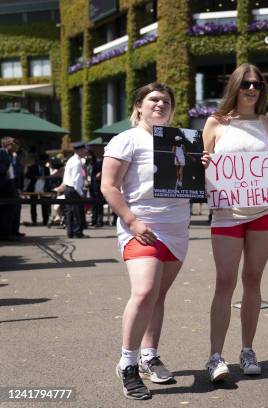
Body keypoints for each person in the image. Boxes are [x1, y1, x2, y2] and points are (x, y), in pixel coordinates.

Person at [101, 83, 211, 400]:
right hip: (141, 227)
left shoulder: (183, 140)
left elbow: (191, 185)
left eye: (166, 100)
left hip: (177, 228)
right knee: (145, 290)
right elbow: (109, 186)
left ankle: (150, 355)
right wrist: (132, 221)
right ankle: (128, 363)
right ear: (139, 106)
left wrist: (199, 167)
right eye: (153, 99)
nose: (160, 104)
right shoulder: (126, 140)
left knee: (158, 295)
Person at [202, 63, 268, 382]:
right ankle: (215, 356)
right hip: (226, 214)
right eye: (247, 84)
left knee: (253, 279)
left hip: (264, 213)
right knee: (225, 281)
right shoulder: (216, 123)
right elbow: (199, 164)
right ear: (235, 85)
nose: (252, 89)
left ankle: (247, 349)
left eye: (258, 85)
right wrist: (203, 162)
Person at [62, 142, 89, 238]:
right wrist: (81, 193)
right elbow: (76, 180)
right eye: (83, 150)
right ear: (79, 150)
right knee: (78, 212)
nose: (85, 152)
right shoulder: (77, 162)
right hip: (74, 190)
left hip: (68, 188)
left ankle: (70, 232)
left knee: (69, 211)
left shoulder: (71, 160)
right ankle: (78, 232)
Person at [0, 137, 21, 241]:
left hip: (12, 184)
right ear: (7, 144)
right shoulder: (2, 153)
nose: (16, 146)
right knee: (7, 210)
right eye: (13, 144)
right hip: (5, 185)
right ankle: (5, 234)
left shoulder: (12, 155)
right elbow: (2, 169)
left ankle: (12, 231)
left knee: (14, 209)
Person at [25, 153, 51, 226]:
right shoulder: (32, 167)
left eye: (46, 161)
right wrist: (35, 177)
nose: (45, 163)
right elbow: (27, 175)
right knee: (33, 205)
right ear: (40, 161)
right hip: (33, 188)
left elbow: (48, 178)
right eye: (44, 161)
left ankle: (45, 220)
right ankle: (34, 220)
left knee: (44, 205)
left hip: (43, 189)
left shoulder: (46, 169)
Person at [86, 149, 104, 227]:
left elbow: (104, 169)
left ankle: (99, 221)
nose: (88, 157)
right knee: (93, 204)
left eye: (89, 155)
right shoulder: (87, 164)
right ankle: (94, 220)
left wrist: (100, 173)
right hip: (91, 185)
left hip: (97, 185)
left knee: (99, 203)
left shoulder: (98, 162)